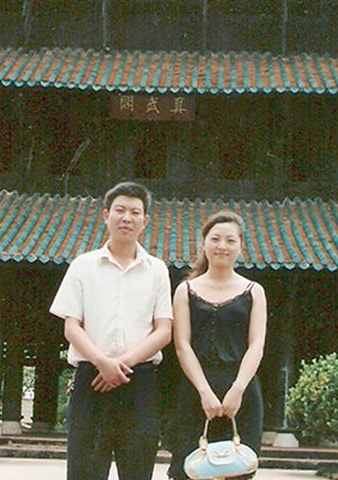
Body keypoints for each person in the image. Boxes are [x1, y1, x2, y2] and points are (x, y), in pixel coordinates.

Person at [49, 181, 173, 480]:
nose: (126, 218)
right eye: (120, 210)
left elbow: (164, 330)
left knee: (137, 471)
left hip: (139, 381)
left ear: (145, 221)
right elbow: (71, 326)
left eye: (135, 212)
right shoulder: (83, 266)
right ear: (106, 215)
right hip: (91, 380)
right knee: (85, 472)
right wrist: (102, 363)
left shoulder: (157, 270)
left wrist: (121, 365)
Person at [168, 211, 267, 480]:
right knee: (189, 470)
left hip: (241, 392)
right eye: (215, 239)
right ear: (204, 243)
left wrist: (238, 389)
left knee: (238, 470)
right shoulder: (185, 290)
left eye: (230, 240)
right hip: (196, 391)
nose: (222, 246)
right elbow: (182, 346)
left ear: (240, 246)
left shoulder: (254, 291)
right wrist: (204, 391)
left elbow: (256, 345)